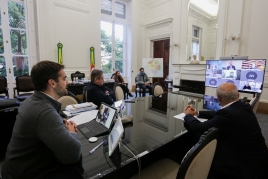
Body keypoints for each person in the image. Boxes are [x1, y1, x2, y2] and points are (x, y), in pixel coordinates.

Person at [1, 61, 84, 179]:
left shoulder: (32, 100)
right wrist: (71, 132)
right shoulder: (44, 111)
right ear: (52, 83)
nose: (68, 82)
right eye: (64, 79)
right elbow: (73, 154)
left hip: (15, 169)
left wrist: (58, 121)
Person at [184, 82, 268, 179]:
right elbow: (218, 113)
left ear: (218, 98)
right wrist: (197, 113)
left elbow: (198, 127)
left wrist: (188, 115)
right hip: (259, 159)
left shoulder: (228, 115)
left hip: (246, 168)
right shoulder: (243, 106)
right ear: (238, 95)